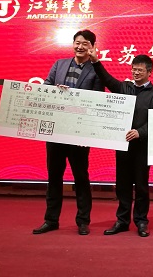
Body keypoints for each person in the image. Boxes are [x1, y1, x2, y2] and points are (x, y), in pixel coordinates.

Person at [33, 29, 104, 236]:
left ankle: (83, 221)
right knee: (54, 176)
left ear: (92, 47)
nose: (80, 47)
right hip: (56, 129)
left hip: (79, 133)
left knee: (81, 177)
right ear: (73, 44)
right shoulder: (60, 64)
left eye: (85, 44)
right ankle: (51, 220)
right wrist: (56, 91)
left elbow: (98, 100)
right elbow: (46, 87)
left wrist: (88, 133)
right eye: (77, 43)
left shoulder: (95, 70)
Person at [88, 51, 153, 238]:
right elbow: (106, 79)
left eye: (140, 70)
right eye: (134, 69)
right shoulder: (124, 87)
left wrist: (140, 132)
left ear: (149, 72)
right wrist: (96, 61)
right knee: (122, 185)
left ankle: (141, 221)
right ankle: (122, 221)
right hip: (123, 146)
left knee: (141, 186)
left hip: (143, 147)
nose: (136, 73)